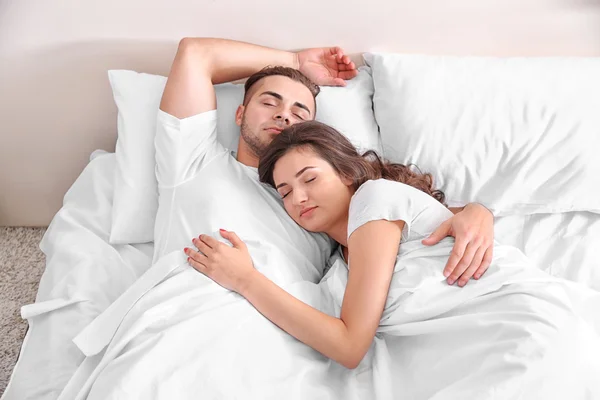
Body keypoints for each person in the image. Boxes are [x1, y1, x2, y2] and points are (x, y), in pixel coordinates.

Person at [58, 38, 495, 399]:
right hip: (191, 307)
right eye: (271, 102)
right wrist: (295, 63)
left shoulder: (320, 200)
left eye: (301, 111)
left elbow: (396, 214)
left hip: (283, 328)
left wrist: (476, 211)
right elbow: (195, 54)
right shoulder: (195, 163)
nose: (286, 114)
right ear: (240, 114)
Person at [186, 120, 600, 398]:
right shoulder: (339, 270)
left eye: (309, 178)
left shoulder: (374, 197)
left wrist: (245, 280)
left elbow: (349, 345)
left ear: (347, 172)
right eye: (285, 191)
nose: (299, 198)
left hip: (523, 333)